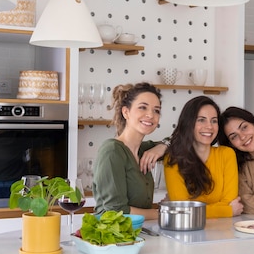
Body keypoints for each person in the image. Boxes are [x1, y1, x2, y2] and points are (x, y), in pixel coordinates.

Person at [93, 82, 168, 219]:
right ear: (126, 112)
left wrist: (163, 146)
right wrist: (163, 214)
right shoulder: (112, 151)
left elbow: (182, 144)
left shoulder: (142, 150)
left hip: (137, 234)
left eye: (156, 110)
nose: (150, 115)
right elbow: (116, 210)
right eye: (142, 108)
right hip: (112, 235)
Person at [164, 96, 243, 218]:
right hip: (187, 232)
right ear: (189, 123)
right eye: (201, 120)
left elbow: (229, 201)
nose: (209, 126)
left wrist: (196, 211)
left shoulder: (227, 154)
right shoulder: (173, 159)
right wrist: (227, 211)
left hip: (224, 231)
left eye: (214, 121)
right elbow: (183, 210)